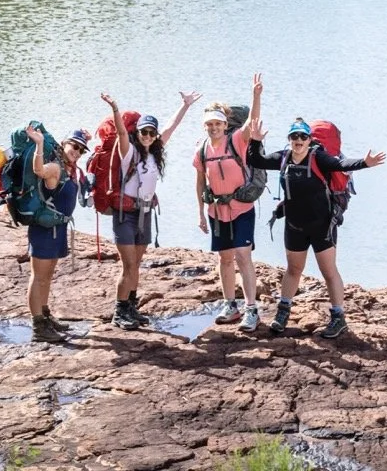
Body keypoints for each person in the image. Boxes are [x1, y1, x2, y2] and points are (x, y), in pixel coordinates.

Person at [249, 115, 385, 339]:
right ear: (289, 139)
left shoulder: (318, 158)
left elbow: (341, 164)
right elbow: (256, 161)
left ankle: (338, 318)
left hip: (321, 226)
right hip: (294, 226)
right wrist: (254, 141)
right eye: (294, 136)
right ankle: (283, 313)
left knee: (328, 272)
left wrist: (365, 162)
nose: (298, 140)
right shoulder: (283, 158)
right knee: (293, 270)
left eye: (303, 136)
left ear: (309, 139)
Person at [101, 89, 201, 329]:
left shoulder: (155, 153)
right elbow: (123, 132)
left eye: (151, 133)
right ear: (138, 133)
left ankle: (131, 308)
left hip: (145, 214)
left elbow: (171, 127)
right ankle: (119, 311)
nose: (147, 136)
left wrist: (185, 106)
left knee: (136, 265)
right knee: (128, 265)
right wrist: (115, 109)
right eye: (143, 132)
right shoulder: (129, 153)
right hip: (125, 215)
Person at [195, 74, 263, 332]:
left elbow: (251, 123)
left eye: (217, 124)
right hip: (216, 211)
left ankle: (251, 310)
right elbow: (200, 181)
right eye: (209, 124)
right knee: (224, 259)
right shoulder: (202, 150)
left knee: (243, 256)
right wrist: (201, 213)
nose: (213, 128)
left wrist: (256, 96)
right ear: (205, 127)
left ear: (225, 126)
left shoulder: (236, 141)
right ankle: (229, 305)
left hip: (242, 208)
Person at [26, 123, 89, 344]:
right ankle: (38, 326)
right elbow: (38, 170)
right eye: (74, 145)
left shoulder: (70, 169)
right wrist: (39, 144)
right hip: (44, 230)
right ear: (64, 143)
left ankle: (45, 314)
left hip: (58, 229)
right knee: (38, 277)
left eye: (82, 149)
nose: (77, 151)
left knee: (48, 276)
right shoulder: (55, 167)